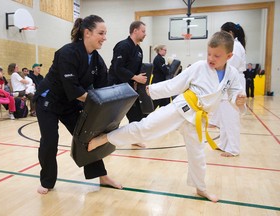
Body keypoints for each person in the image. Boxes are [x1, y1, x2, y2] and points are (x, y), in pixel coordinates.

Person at [88, 31, 246, 202]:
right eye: (209, 53)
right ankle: (105, 138)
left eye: (217, 55)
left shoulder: (232, 75)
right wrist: (152, 90)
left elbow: (235, 94)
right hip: (181, 109)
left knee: (198, 154)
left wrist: (239, 100)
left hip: (198, 119)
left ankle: (201, 188)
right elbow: (175, 84)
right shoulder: (200, 67)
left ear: (229, 56)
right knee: (144, 128)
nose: (211, 58)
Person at [34, 15, 122, 195]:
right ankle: (47, 181)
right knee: (50, 141)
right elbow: (74, 90)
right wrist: (99, 103)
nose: (104, 37)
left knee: (87, 137)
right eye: (101, 33)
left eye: (105, 33)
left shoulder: (96, 59)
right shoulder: (67, 53)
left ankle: (102, 176)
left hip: (69, 103)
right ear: (87, 33)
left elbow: (103, 88)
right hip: (48, 101)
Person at [209, 22, 247, 157]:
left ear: (230, 33)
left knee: (230, 119)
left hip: (233, 84)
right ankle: (224, 145)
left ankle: (233, 149)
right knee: (225, 119)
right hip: (228, 83)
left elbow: (229, 65)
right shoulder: (236, 45)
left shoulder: (236, 46)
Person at [108, 21, 147, 148]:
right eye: (143, 31)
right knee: (114, 118)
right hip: (116, 87)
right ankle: (106, 142)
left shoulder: (139, 50)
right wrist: (135, 77)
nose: (145, 34)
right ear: (135, 31)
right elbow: (118, 68)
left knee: (136, 115)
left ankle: (134, 138)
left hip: (130, 88)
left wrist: (137, 81)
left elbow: (137, 70)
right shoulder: (123, 46)